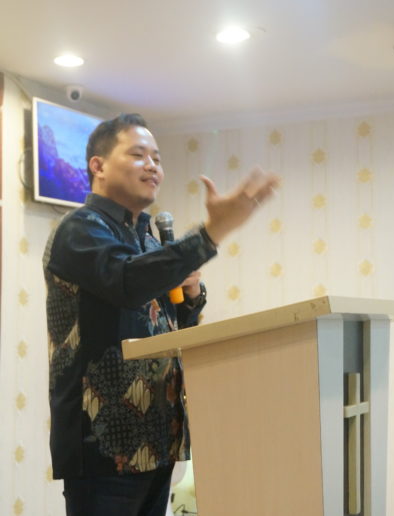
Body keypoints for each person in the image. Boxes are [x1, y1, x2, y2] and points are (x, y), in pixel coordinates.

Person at [43, 113, 278, 516]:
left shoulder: (150, 244)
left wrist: (190, 299)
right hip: (104, 445)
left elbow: (170, 333)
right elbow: (127, 282)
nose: (152, 165)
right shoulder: (79, 229)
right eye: (138, 155)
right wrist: (210, 233)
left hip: (158, 438)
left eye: (157, 158)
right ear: (98, 166)